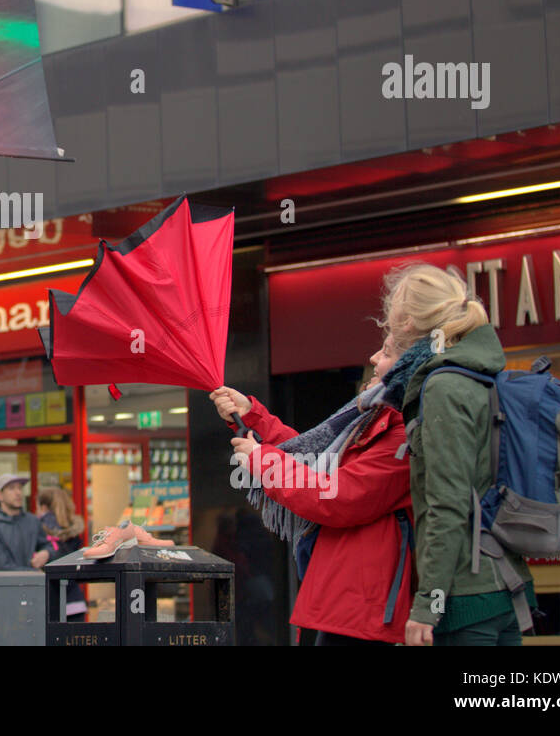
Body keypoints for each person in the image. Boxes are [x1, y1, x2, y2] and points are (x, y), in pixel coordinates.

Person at [209, 328, 431, 645]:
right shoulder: (373, 420)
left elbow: (337, 495)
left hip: (359, 607)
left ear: (406, 367)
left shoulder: (400, 432)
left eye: (386, 352)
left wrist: (263, 460)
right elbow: (314, 462)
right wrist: (254, 417)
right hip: (343, 599)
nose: (373, 358)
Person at [385, 263, 535, 647]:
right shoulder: (483, 374)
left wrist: (427, 604)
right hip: (505, 585)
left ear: (407, 322)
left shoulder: (444, 386)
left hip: (467, 598)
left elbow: (448, 504)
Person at [0, 473, 50, 571]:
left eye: (20, 488)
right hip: (6, 585)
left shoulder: (32, 521)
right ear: (0, 495)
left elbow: (48, 544)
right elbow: (0, 568)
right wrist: (35, 574)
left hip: (34, 584)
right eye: (11, 488)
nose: (18, 493)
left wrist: (46, 553)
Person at [38, 487, 87, 621]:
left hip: (49, 602)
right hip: (75, 602)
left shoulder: (39, 527)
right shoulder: (74, 530)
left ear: (43, 507)